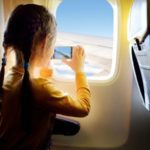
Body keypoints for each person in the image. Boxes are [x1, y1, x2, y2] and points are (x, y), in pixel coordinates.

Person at [0, 4, 91, 150]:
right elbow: (84, 107)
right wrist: (79, 71)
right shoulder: (40, 88)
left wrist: (44, 76)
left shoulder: (10, 76)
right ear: (45, 42)